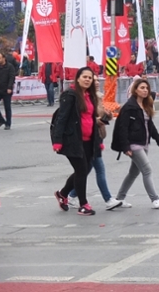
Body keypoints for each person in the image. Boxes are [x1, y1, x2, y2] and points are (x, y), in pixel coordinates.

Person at [51, 67, 101, 216]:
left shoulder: (90, 95)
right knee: (81, 170)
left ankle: (63, 193)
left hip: (88, 140)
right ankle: (83, 204)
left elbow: (92, 119)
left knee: (83, 170)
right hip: (72, 139)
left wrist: (97, 141)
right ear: (78, 78)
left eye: (90, 78)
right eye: (84, 77)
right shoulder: (70, 95)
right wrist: (57, 141)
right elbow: (62, 118)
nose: (87, 80)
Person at [111, 79, 159, 209]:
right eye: (142, 88)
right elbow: (122, 128)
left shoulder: (146, 105)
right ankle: (155, 199)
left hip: (144, 143)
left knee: (133, 173)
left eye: (146, 88)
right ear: (135, 90)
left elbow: (150, 126)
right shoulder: (129, 107)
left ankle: (119, 198)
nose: (145, 90)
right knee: (147, 170)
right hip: (134, 144)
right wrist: (125, 147)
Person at [67, 77, 121, 211]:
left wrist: (107, 115)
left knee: (85, 170)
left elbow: (100, 115)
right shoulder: (83, 98)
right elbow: (82, 118)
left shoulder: (97, 97)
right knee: (99, 169)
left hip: (97, 137)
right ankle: (108, 199)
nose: (96, 82)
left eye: (95, 79)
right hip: (89, 139)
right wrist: (95, 120)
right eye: (92, 79)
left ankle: (69, 194)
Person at [0, 52, 15, 130]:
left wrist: (9, 87)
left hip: (6, 90)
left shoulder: (10, 67)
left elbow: (12, 78)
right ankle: (1, 120)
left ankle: (8, 123)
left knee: (7, 107)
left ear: (4, 58)